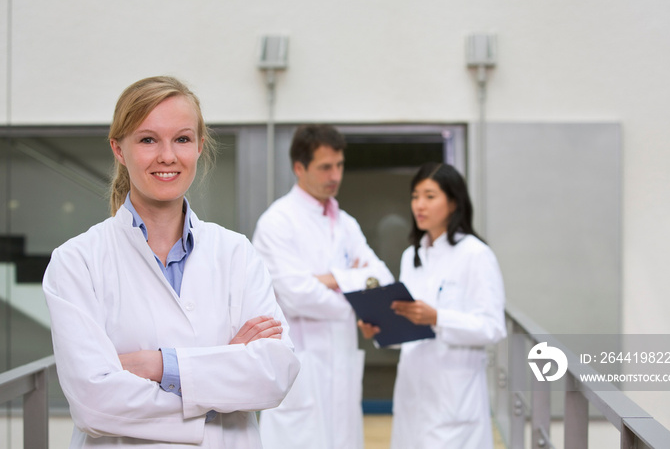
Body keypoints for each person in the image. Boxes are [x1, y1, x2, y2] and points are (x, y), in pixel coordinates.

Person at [42, 76, 300, 448]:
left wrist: (157, 365)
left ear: (199, 147)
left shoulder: (236, 253)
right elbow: (93, 404)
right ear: (118, 149)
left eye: (182, 139)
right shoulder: (77, 261)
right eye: (148, 140)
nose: (168, 156)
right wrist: (221, 379)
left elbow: (275, 374)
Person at [252, 124, 394, 449]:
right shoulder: (277, 222)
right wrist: (353, 285)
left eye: (340, 165)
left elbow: (382, 279)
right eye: (325, 167)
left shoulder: (346, 223)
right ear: (299, 168)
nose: (335, 175)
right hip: (302, 370)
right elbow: (296, 294)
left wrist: (328, 279)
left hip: (340, 369)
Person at [359, 162, 506, 449]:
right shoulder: (411, 256)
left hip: (454, 401)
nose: (419, 205)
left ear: (453, 202)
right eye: (415, 196)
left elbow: (492, 327)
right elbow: (411, 329)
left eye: (429, 196)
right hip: (412, 396)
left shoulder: (476, 255)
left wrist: (437, 317)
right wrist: (381, 330)